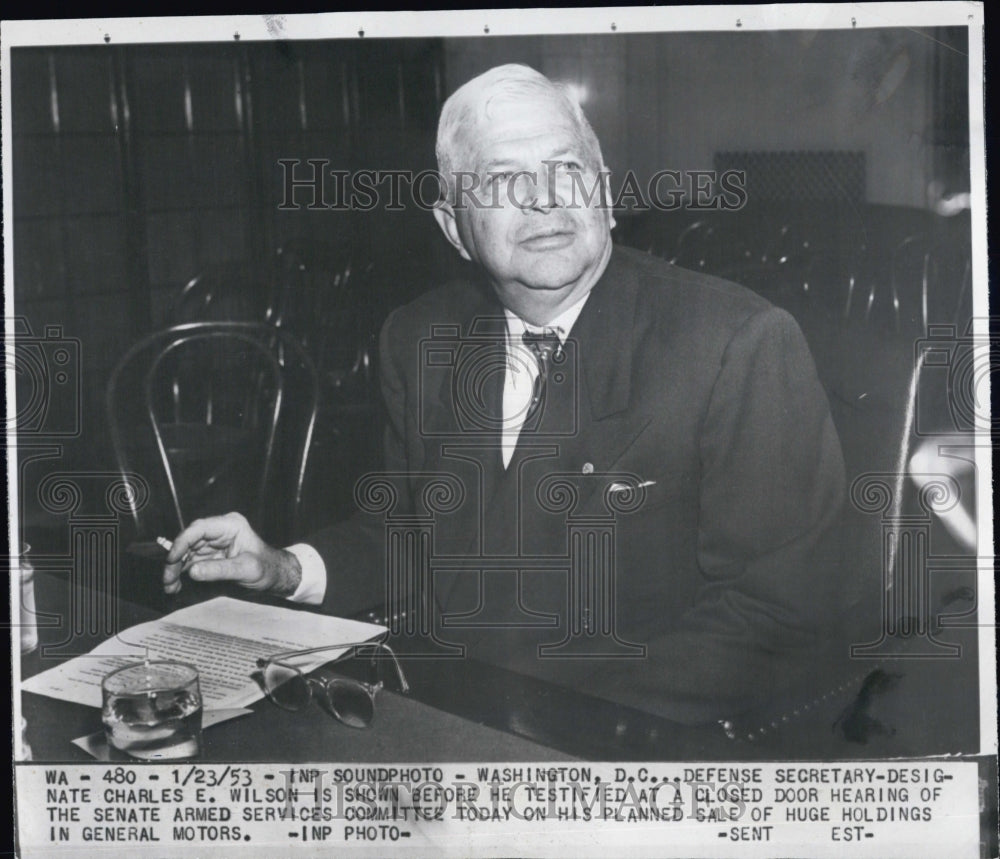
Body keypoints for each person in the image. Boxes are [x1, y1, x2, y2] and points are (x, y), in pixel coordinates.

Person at [163, 64, 846, 726]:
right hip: (445, 720)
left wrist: (541, 725)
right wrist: (282, 568)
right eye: (502, 180)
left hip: (620, 744)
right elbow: (409, 534)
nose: (545, 197)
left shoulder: (735, 343)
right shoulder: (421, 337)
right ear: (453, 227)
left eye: (567, 168)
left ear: (604, 192)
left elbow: (778, 616)